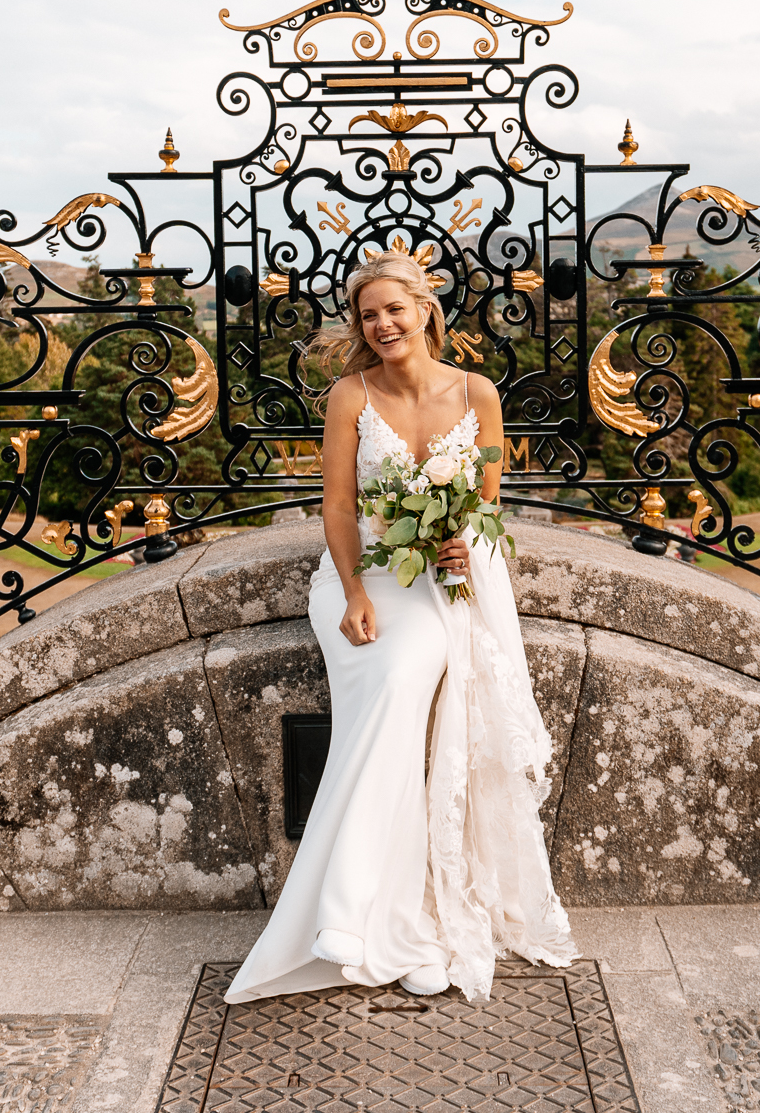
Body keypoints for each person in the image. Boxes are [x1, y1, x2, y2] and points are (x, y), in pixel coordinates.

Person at [224, 243, 577, 1005]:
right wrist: (353, 591)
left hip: (440, 582)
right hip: (366, 577)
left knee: (399, 680)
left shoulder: (478, 393)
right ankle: (373, 920)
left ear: (425, 309)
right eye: (368, 314)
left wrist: (462, 540)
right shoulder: (350, 395)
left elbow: (485, 500)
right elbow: (340, 507)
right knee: (389, 676)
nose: (383, 323)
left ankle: (381, 921)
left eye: (394, 308)